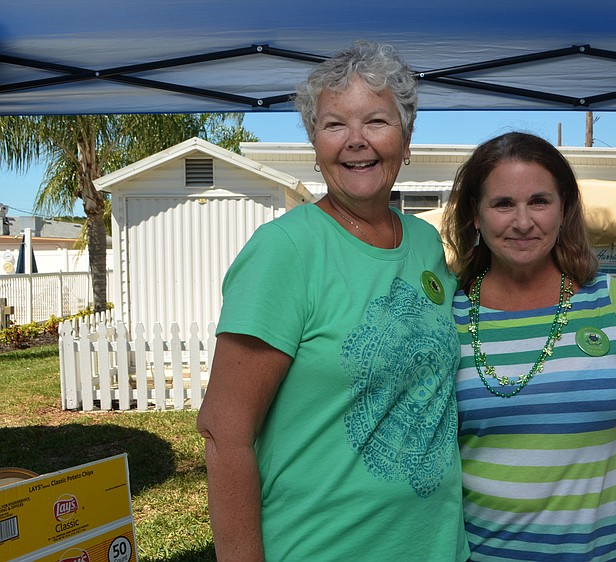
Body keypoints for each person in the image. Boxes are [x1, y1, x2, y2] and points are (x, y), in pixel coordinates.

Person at [196, 41, 468, 562]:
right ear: (314, 143)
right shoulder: (286, 250)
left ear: (406, 139)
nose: (356, 141)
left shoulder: (425, 244)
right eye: (334, 124)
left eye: (377, 121)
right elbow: (224, 433)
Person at [443, 132, 616, 561]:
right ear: (475, 215)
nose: (523, 221)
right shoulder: (447, 318)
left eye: (539, 201)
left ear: (564, 209)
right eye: (502, 204)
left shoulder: (613, 304)